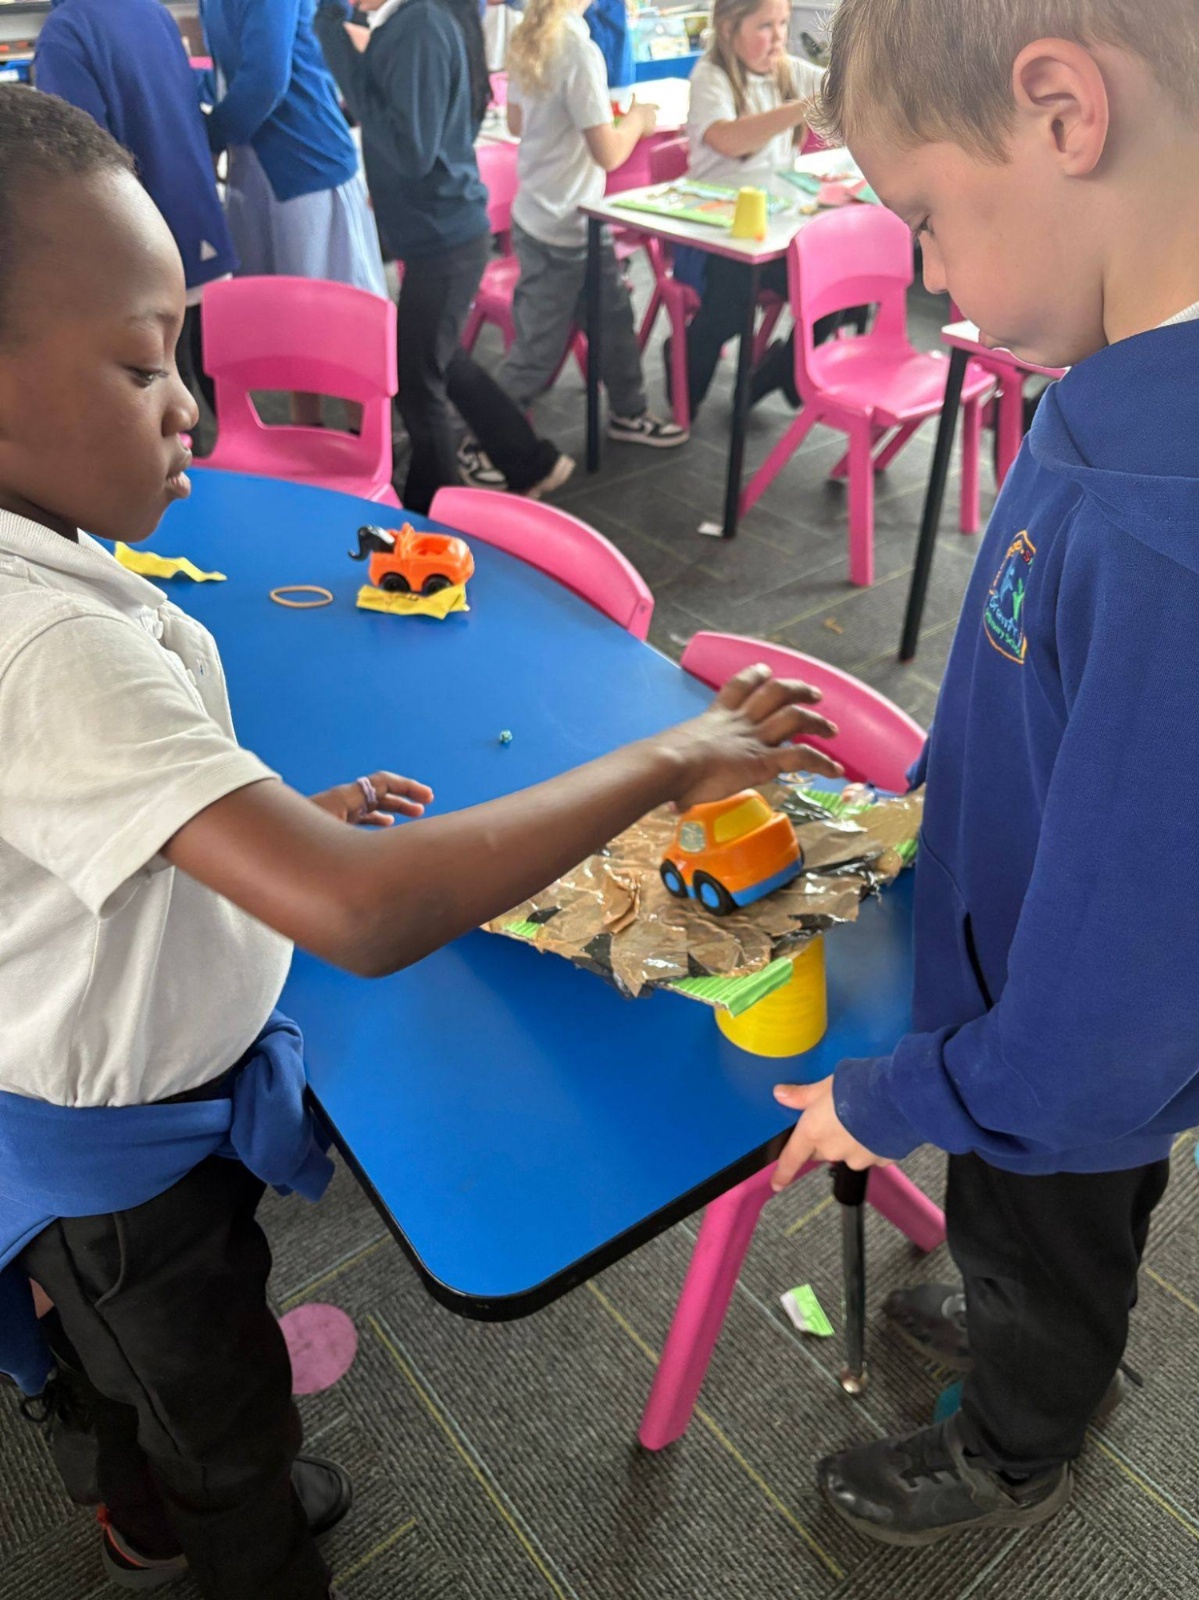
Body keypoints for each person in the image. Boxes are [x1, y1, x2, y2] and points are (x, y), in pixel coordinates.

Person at [0, 85, 842, 1600]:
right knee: (214, 1407)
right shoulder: (48, 644)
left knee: (137, 1363)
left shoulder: (42, 570)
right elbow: (366, 915)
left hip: (103, 1118)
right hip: (121, 1161)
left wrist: (258, 821)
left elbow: (64, 820)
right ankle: (228, 1543)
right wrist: (673, 755)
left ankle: (138, 1501)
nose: (186, 405)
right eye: (140, 365)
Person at [768, 0, 1199, 1548]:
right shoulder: (1113, 383)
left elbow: (1094, 1046)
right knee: (1040, 1222)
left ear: (1063, 112)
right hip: (1020, 998)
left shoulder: (1167, 535)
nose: (933, 276)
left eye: (926, 219)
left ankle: (1018, 1438)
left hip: (1047, 1059)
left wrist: (891, 1099)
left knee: (1054, 1222)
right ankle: (1026, 1317)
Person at [315, 0, 575, 511]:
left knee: (417, 381)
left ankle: (432, 511)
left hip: (446, 239)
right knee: (440, 357)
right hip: (439, 232)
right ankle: (530, 461)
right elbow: (413, 132)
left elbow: (411, 151)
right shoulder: (410, 24)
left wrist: (342, 50)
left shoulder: (419, 26)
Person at [479, 0, 685, 473]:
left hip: (560, 219)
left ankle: (629, 412)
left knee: (613, 321)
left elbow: (516, 122)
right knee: (537, 351)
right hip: (563, 226)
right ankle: (484, 445)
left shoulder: (531, 35)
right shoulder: (577, 48)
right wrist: (638, 121)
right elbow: (609, 154)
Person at [33, 0, 236, 416]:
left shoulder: (66, 31)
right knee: (222, 395)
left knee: (162, 410)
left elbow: (81, 167)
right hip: (199, 222)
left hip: (139, 248)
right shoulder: (154, 11)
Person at [200, 0, 387, 427]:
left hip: (308, 164)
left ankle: (366, 440)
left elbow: (265, 80)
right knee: (293, 326)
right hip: (258, 168)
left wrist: (210, 134)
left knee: (339, 327)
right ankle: (309, 434)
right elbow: (228, 73)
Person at [680, 0, 826, 415]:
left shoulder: (787, 69)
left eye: (783, 23)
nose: (779, 37)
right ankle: (685, 377)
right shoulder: (710, 77)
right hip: (714, 236)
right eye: (765, 26)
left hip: (775, 231)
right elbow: (729, 139)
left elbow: (841, 88)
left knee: (836, 289)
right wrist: (803, 107)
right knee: (731, 304)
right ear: (729, 29)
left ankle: (774, 377)